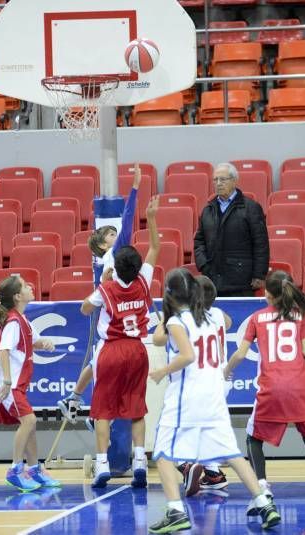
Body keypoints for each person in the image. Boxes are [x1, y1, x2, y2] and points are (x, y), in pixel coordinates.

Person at [148, 268, 280, 533]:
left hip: (188, 395)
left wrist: (162, 371)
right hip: (215, 393)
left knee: (162, 453)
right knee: (231, 453)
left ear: (171, 295)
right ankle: (263, 501)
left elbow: (178, 350)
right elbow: (160, 337)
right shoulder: (211, 317)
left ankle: (175, 510)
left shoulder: (178, 321)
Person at [224, 270, 305, 517]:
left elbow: (241, 354)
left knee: (252, 439)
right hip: (301, 388)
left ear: (268, 293)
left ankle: (263, 490)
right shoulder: (301, 315)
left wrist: (226, 371)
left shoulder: (257, 318)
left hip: (272, 387)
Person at [78, 196, 161, 489]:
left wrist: (101, 287)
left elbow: (85, 309)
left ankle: (102, 465)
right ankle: (140, 460)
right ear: (137, 267)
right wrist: (151, 219)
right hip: (137, 350)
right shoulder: (143, 281)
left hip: (111, 350)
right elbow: (155, 247)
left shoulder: (107, 287)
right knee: (136, 407)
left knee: (102, 410)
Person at [58, 163, 141, 424]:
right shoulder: (113, 255)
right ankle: (87, 405)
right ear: (103, 242)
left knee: (100, 361)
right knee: (105, 362)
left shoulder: (106, 260)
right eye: (111, 233)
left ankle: (75, 397)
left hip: (110, 309)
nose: (117, 235)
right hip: (114, 312)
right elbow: (128, 217)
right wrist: (135, 188)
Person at [0, 275, 61, 492]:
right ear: (18, 296)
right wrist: (7, 381)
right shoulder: (13, 321)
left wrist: (42, 344)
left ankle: (34, 469)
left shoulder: (23, 320)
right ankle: (15, 470)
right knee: (29, 421)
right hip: (5, 384)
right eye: (26, 286)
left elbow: (30, 342)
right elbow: (4, 351)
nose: (31, 287)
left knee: (30, 424)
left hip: (15, 384)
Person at [175, 275, 233, 497]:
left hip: (202, 379)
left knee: (178, 427)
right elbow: (228, 322)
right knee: (207, 429)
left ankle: (186, 466)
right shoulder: (218, 314)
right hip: (222, 379)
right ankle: (213, 474)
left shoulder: (189, 319)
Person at [193, 162, 269, 297]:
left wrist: (259, 274)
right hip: (213, 281)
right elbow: (199, 241)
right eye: (215, 180)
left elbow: (261, 243)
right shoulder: (208, 210)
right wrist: (204, 265)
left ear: (234, 181)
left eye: (223, 179)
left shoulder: (251, 208)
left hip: (241, 282)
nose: (218, 183)